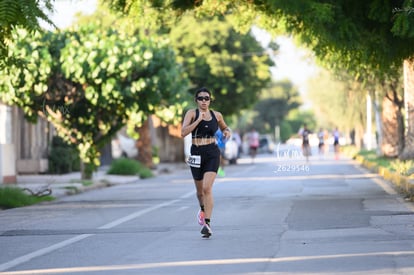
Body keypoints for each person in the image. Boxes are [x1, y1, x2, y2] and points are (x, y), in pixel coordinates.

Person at [181, 87, 231, 238]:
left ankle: (207, 224)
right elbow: (183, 132)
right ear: (196, 100)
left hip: (212, 152)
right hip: (196, 152)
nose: (204, 101)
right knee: (199, 192)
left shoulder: (217, 115)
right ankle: (202, 209)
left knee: (207, 188)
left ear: (210, 100)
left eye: (207, 98)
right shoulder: (191, 113)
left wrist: (227, 131)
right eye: (201, 98)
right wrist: (198, 120)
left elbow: (225, 127)